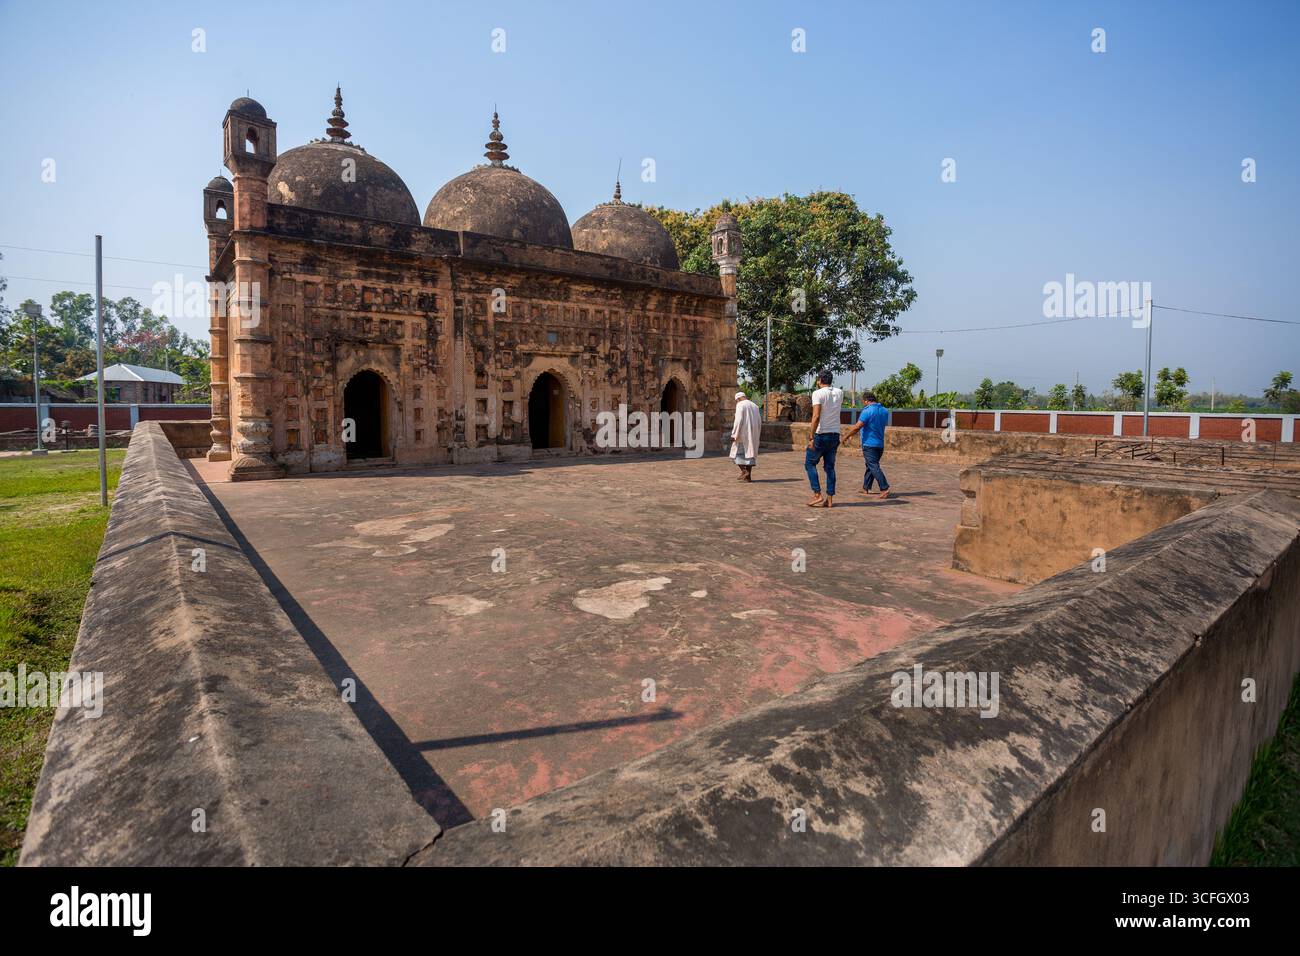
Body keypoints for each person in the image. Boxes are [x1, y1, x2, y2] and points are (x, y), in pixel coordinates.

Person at [804, 371, 843, 507]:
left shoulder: (818, 393)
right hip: (835, 433)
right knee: (830, 467)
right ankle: (830, 499)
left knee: (810, 463)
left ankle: (817, 494)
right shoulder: (839, 392)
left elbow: (816, 416)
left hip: (821, 434)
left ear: (820, 380)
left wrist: (811, 436)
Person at [845, 390, 890, 499]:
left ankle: (884, 488)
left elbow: (857, 426)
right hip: (880, 444)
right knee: (870, 465)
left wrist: (846, 436)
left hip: (869, 444)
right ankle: (866, 487)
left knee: (873, 466)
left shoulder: (867, 411)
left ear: (866, 401)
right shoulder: (884, 410)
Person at [730, 391, 761, 481]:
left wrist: (734, 434)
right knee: (749, 455)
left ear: (738, 399)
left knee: (736, 454)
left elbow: (738, 420)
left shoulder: (741, 405)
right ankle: (748, 477)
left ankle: (744, 471)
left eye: (736, 401)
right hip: (753, 434)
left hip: (742, 434)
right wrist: (757, 433)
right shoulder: (755, 406)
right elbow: (759, 421)